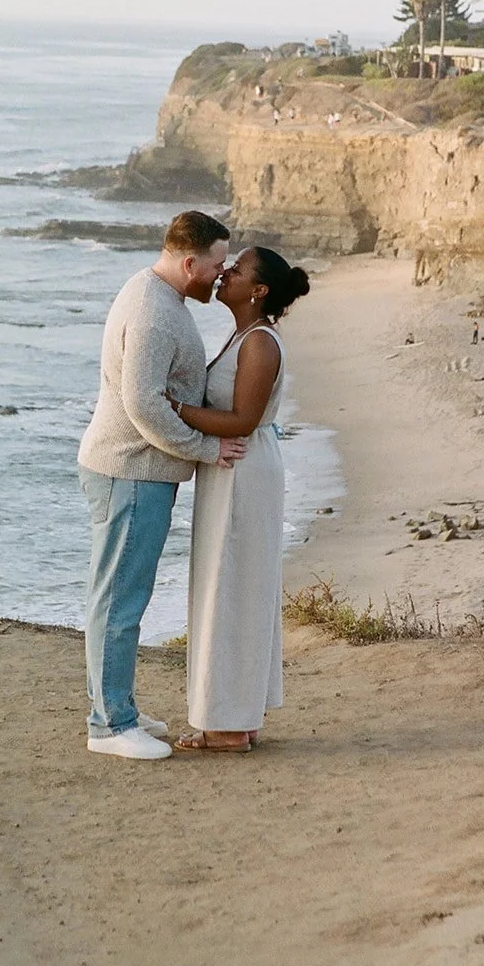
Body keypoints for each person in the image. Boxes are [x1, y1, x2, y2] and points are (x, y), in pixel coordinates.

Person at [78, 211, 247, 760]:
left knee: (127, 593)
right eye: (217, 265)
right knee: (119, 599)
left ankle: (118, 707)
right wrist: (206, 450)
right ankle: (107, 726)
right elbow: (143, 402)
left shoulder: (161, 296)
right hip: (129, 470)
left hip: (141, 471)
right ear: (189, 261)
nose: (221, 276)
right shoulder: (152, 310)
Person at [170, 247, 310, 754]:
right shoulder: (242, 335)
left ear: (259, 291)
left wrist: (175, 409)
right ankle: (238, 716)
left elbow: (243, 420)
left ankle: (227, 726)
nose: (225, 272)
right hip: (236, 466)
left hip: (243, 467)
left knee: (231, 585)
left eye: (238, 269)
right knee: (234, 584)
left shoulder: (259, 344)